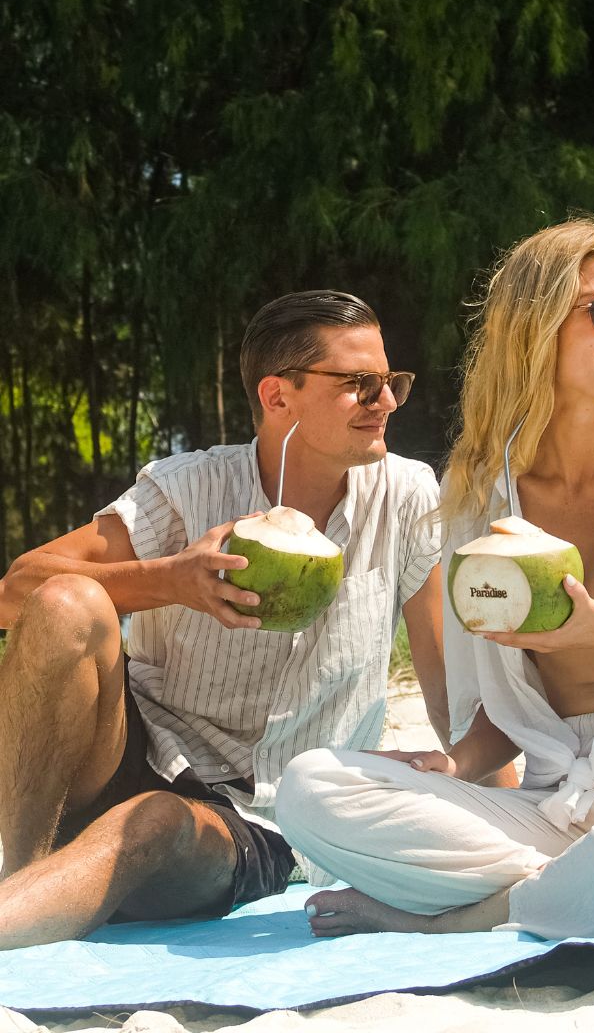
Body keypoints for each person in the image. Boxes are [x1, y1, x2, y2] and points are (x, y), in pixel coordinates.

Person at [276, 218, 594, 943]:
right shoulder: (480, 493)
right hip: (565, 814)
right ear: (534, 327)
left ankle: (468, 919)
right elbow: (498, 709)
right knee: (312, 787)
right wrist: (455, 761)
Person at [0, 289, 448, 948]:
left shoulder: (407, 496)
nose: (386, 401)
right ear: (277, 397)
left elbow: (450, 688)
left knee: (150, 822)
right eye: (360, 384)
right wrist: (169, 579)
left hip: (254, 821)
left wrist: (487, 795)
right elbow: (16, 590)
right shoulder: (186, 488)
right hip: (128, 748)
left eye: (390, 382)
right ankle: (16, 868)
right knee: (68, 601)